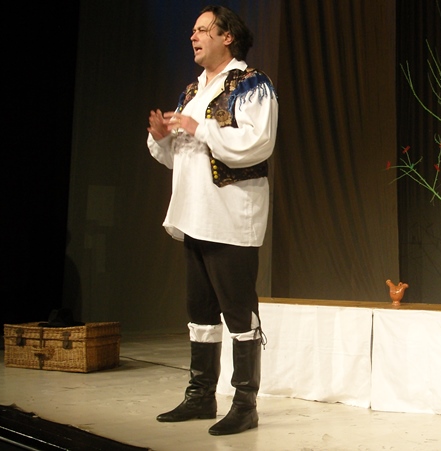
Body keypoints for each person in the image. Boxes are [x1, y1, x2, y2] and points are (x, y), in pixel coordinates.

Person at [146, 5, 277, 436]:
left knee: (238, 312)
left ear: (227, 37)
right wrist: (163, 139)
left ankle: (245, 403)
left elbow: (256, 143)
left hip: (230, 215)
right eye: (193, 30)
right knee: (200, 311)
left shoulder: (251, 84)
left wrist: (198, 128)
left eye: (203, 29)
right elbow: (178, 157)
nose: (194, 36)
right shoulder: (193, 90)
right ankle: (200, 394)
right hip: (194, 212)